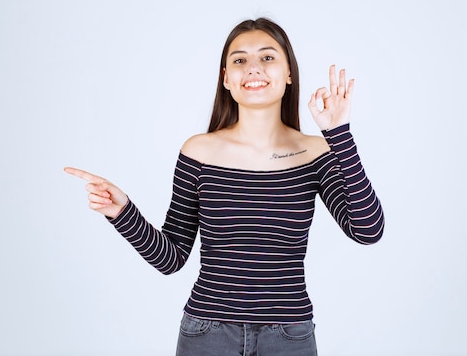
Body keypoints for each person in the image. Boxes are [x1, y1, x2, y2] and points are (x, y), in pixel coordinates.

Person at [65, 18, 384, 356]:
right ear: (226, 78)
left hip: (288, 335)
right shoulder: (199, 151)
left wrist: (339, 135)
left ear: (289, 72)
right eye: (239, 60)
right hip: (207, 334)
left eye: (267, 57)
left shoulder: (314, 153)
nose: (253, 69)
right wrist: (122, 212)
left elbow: (367, 230)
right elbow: (171, 257)